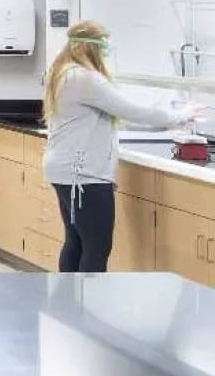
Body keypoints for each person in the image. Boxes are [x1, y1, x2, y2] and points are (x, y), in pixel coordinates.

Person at [43, 21, 201, 273]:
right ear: (89, 45)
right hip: (84, 176)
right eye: (103, 44)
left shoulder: (64, 72)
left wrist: (165, 124)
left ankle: (67, 307)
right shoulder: (85, 79)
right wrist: (179, 115)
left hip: (68, 171)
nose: (106, 49)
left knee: (76, 243)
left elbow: (119, 117)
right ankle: (84, 307)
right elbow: (133, 111)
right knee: (96, 248)